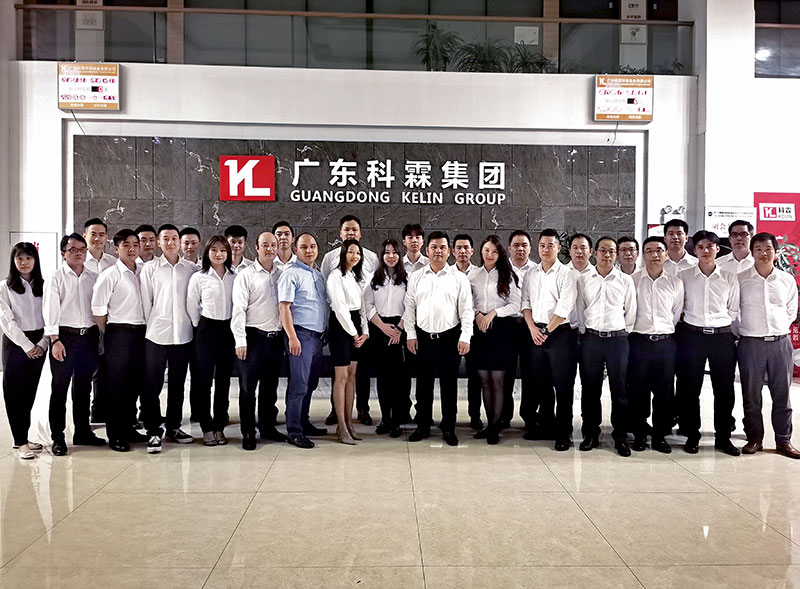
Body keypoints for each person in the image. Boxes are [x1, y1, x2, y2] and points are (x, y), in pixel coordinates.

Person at [404, 231, 473, 446]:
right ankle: (423, 426)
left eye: (442, 247)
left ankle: (449, 428)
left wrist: (465, 336)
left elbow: (467, 310)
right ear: (427, 250)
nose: (438, 251)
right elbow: (409, 307)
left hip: (449, 338)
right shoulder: (417, 276)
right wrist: (411, 334)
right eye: (434, 247)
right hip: (423, 337)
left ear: (449, 251)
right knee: (423, 385)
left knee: (449, 386)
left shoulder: (459, 278)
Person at [676, 230, 740, 456]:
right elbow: (678, 305)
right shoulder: (684, 276)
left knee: (724, 389)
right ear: (694, 250)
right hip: (692, 336)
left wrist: (718, 325)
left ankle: (723, 437)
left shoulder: (729, 277)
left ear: (717, 249)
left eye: (710, 247)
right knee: (690, 388)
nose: (705, 251)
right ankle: (692, 435)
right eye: (701, 247)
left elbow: (733, 309)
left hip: (721, 337)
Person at [737, 232, 800, 459]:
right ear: (752, 252)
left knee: (782, 395)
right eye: (759, 249)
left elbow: (791, 310)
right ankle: (755, 438)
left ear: (775, 252)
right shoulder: (741, 279)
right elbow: (734, 310)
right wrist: (746, 331)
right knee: (751, 395)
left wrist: (778, 328)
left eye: (768, 249)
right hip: (750, 344)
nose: (763, 253)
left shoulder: (786, 279)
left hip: (780, 344)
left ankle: (784, 440)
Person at [139, 223, 199, 453]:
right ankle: (153, 431)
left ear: (179, 242)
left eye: (174, 238)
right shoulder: (150, 269)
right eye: (166, 239)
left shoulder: (191, 269)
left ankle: (174, 426)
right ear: (159, 242)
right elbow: (146, 302)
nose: (171, 242)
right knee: (152, 384)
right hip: (156, 334)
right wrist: (153, 323)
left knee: (177, 384)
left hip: (183, 334)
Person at [44, 233, 105, 456]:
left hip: (88, 337)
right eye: (73, 250)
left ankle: (82, 432)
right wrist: (54, 340)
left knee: (83, 387)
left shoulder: (93, 277)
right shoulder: (56, 277)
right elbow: (50, 310)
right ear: (63, 253)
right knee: (59, 388)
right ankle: (58, 437)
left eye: (82, 249)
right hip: (64, 338)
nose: (78, 253)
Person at [576, 236, 636, 457]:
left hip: (617, 340)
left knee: (619, 389)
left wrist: (621, 332)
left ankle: (620, 436)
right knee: (590, 389)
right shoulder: (584, 279)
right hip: (591, 339)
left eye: (611, 251)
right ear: (594, 252)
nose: (607, 255)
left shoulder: (625, 280)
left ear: (616, 254)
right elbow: (580, 308)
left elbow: (631, 311)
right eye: (603, 250)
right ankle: (591, 433)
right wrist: (586, 332)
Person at [521, 229, 578, 450]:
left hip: (560, 334)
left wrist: (545, 331)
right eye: (542, 245)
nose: (546, 249)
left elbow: (565, 307)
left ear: (558, 248)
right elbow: (525, 303)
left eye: (550, 245)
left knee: (563, 386)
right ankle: (546, 426)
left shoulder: (567, 274)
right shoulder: (531, 273)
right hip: (535, 333)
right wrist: (533, 329)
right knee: (542, 384)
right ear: (538, 247)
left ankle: (563, 432)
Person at [91, 229, 146, 452]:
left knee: (135, 383)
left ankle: (129, 428)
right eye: (126, 245)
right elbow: (98, 310)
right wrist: (111, 334)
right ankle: (115, 434)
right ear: (116, 248)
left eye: (135, 245)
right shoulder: (110, 274)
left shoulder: (143, 271)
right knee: (117, 385)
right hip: (118, 333)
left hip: (141, 333)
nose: (132, 249)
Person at [321, 215, 378, 426]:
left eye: (354, 229)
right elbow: (331, 295)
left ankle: (361, 409)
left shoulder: (370, 259)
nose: (350, 233)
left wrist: (364, 330)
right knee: (340, 373)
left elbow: (367, 295)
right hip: (341, 320)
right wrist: (353, 331)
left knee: (358, 371)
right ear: (340, 233)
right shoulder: (331, 261)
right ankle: (338, 414)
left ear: (360, 233)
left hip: (361, 321)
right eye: (347, 229)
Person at [628, 237, 684, 454]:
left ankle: (660, 435)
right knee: (638, 389)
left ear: (666, 254)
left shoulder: (675, 282)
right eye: (649, 250)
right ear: (643, 255)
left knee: (664, 391)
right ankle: (640, 434)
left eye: (659, 250)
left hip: (665, 343)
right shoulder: (632, 281)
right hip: (638, 342)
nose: (654, 255)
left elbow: (675, 313)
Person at [232, 232, 287, 450]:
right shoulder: (246, 275)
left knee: (270, 386)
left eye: (273, 245)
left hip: (275, 339)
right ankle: (248, 432)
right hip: (252, 338)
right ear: (256, 248)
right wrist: (240, 340)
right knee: (248, 388)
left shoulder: (282, 274)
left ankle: (267, 427)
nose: (270, 249)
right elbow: (238, 309)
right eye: (265, 245)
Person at [278, 232, 328, 449]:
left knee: (310, 383)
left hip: (317, 338)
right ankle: (294, 431)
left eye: (313, 246)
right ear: (295, 250)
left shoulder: (317, 274)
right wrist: (292, 337)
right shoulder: (291, 274)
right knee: (299, 385)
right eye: (304, 247)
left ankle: (303, 422)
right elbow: (284, 307)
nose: (309, 250)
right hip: (300, 336)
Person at [469, 235, 520, 445]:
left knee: (498, 381)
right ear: (481, 251)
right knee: (484, 381)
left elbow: (516, 305)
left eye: (494, 251)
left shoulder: (508, 275)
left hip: (501, 331)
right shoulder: (473, 275)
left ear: (500, 254)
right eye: (487, 250)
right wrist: (477, 314)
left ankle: (494, 427)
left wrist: (494, 313)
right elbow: (466, 302)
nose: (490, 255)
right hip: (479, 331)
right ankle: (490, 423)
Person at [187, 236, 236, 447]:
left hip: (228, 330)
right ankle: (206, 427)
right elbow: (192, 305)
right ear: (207, 252)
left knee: (224, 380)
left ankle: (219, 425)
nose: (219, 254)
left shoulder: (235, 276)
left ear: (228, 253)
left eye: (223, 250)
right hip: (206, 330)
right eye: (214, 250)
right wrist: (200, 327)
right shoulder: (199, 277)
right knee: (203, 380)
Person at [1, 243, 48, 460]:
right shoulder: (4, 287)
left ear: (35, 260)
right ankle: (20, 442)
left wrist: (43, 343)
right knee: (14, 393)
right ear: (13, 261)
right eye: (19, 258)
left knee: (29, 393)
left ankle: (22, 437)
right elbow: (6, 322)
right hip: (16, 344)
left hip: (40, 341)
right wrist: (27, 346)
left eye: (28, 258)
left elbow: (51, 316)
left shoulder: (44, 285)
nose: (24, 262)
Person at [327, 239, 370, 445]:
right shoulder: (335, 276)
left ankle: (349, 423)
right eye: (351, 252)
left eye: (358, 253)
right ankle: (341, 426)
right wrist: (353, 333)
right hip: (340, 327)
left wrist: (365, 332)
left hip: (355, 327)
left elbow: (362, 308)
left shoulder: (355, 277)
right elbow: (340, 308)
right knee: (342, 377)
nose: (355, 256)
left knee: (352, 376)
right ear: (343, 253)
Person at [364, 239, 408, 438]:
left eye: (394, 252)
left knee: (398, 379)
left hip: (400, 329)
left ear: (399, 255)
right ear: (382, 256)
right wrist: (382, 327)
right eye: (387, 252)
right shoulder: (374, 279)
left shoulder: (408, 279)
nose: (391, 256)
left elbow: (412, 306)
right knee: (382, 378)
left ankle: (397, 421)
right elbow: (368, 305)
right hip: (379, 329)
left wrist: (398, 329)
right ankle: (385, 419)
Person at [83, 217, 115, 425]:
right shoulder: (78, 260)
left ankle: (100, 410)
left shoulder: (112, 262)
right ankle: (85, 416)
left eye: (101, 235)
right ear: (85, 236)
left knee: (105, 369)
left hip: (106, 323)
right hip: (84, 325)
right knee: (86, 372)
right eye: (93, 234)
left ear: (107, 238)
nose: (97, 238)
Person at [505, 229, 537, 431]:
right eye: (516, 245)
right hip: (506, 326)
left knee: (530, 373)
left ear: (530, 248)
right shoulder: (501, 268)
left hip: (529, 326)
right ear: (509, 248)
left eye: (524, 245)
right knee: (505, 373)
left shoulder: (536, 270)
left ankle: (529, 416)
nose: (520, 249)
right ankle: (503, 416)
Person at [452, 233, 483, 430]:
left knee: (474, 374)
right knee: (449, 374)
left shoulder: (479, 274)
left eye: (466, 248)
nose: (462, 251)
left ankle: (475, 415)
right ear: (452, 251)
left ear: (472, 250)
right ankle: (450, 416)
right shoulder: (447, 273)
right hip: (451, 329)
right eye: (459, 248)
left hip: (474, 329)